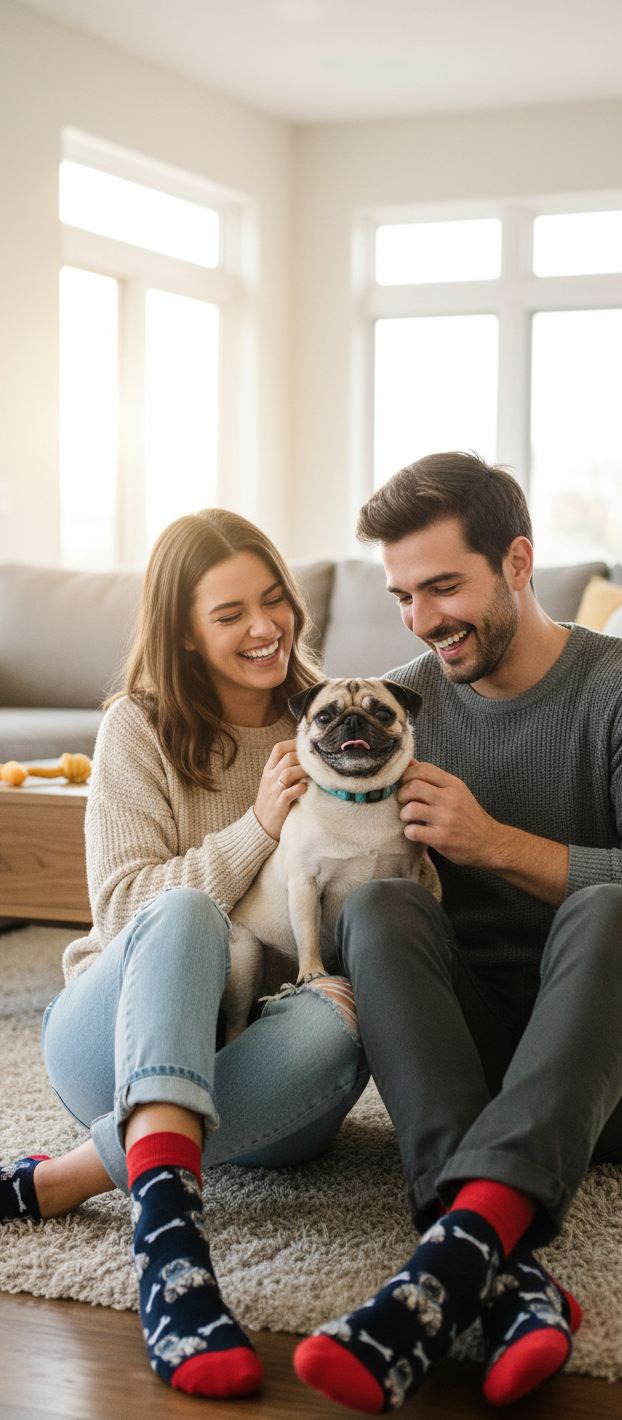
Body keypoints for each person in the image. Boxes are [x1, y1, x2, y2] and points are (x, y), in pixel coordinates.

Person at [0, 509, 368, 1400]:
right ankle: (172, 1259)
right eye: (231, 612)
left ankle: (73, 1177)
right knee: (185, 915)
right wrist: (257, 827)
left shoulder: (335, 719)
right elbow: (129, 909)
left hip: (266, 1068)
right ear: (184, 633)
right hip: (116, 1045)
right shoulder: (138, 727)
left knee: (348, 1025)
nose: (264, 627)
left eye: (274, 600)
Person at [295, 450, 622, 1414]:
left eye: (444, 586)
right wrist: (273, 812)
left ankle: (459, 1250)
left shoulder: (611, 693)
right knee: (379, 902)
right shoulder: (397, 705)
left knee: (605, 902)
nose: (423, 620)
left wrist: (494, 844)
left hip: (606, 1069)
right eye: (402, 595)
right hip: (472, 1068)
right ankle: (497, 1268)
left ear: (518, 564)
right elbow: (307, 832)